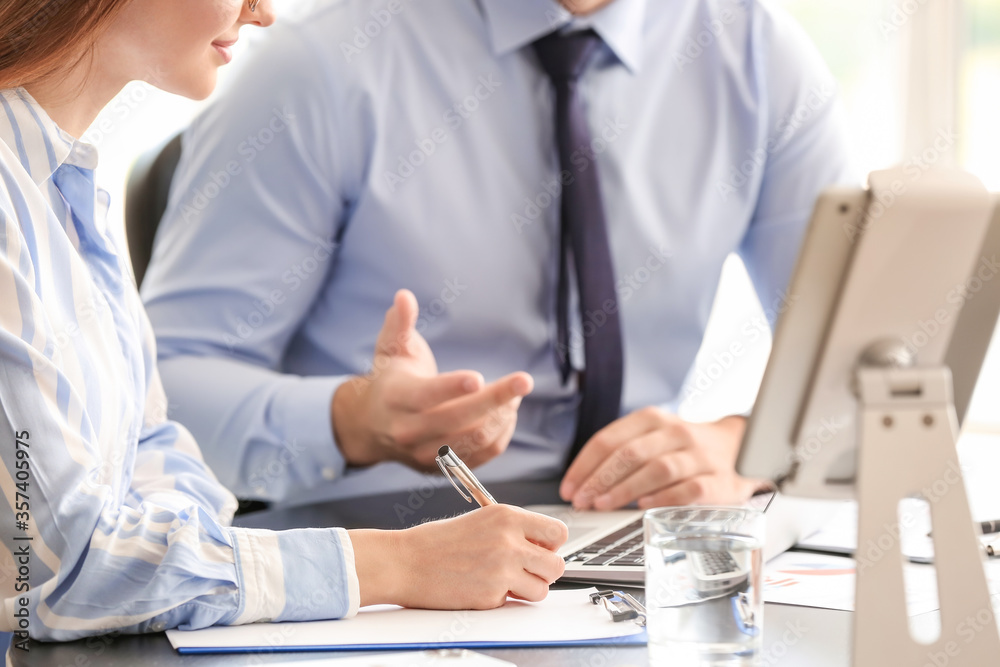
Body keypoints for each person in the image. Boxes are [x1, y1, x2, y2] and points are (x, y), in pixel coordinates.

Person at [0, 0, 567, 643]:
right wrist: (397, 564)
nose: (263, 11)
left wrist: (205, 573)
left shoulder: (66, 188)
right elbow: (59, 566)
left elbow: (149, 449)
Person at [143, 0, 855, 510]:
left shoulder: (760, 55)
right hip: (383, 555)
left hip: (638, 543)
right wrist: (353, 419)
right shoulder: (322, 63)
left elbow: (871, 369)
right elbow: (159, 394)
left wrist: (746, 445)